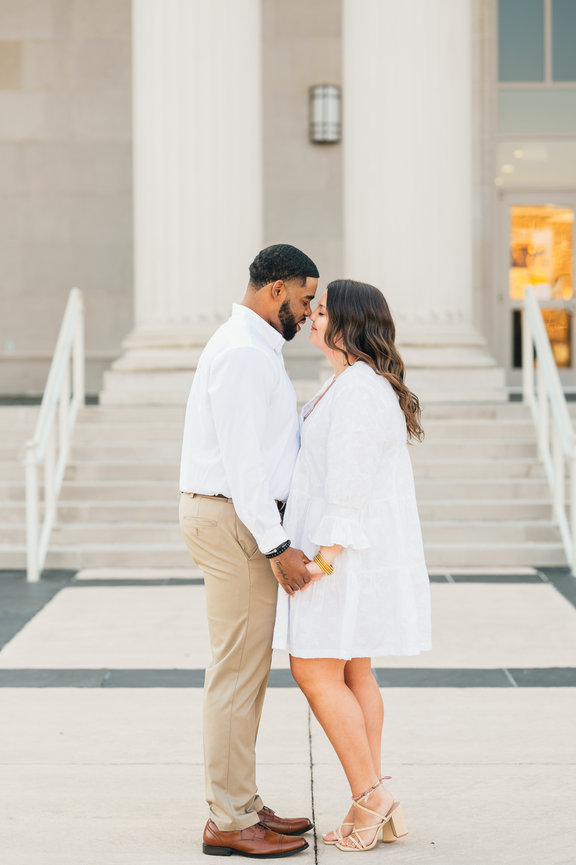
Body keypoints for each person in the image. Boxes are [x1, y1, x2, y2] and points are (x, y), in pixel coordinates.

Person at [273, 279, 432, 853]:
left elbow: (348, 481)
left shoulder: (361, 388)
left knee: (314, 671)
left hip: (337, 555)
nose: (310, 318)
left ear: (346, 323)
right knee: (352, 672)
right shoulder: (348, 383)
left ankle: (371, 795)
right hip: (344, 553)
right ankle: (374, 792)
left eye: (320, 312)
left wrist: (322, 559)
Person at [179, 244, 319, 858]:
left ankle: (240, 798)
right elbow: (242, 466)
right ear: (277, 291)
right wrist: (278, 543)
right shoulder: (242, 354)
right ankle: (229, 821)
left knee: (247, 676)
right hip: (233, 519)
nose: (311, 313)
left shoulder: (256, 349)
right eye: (306, 299)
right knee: (235, 676)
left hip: (241, 519)